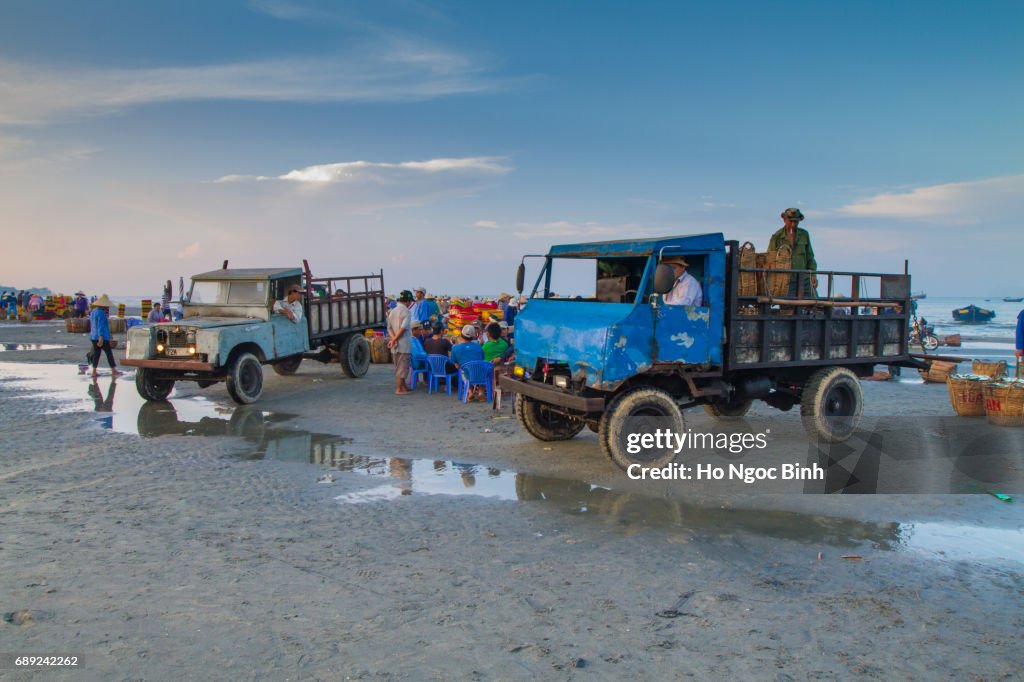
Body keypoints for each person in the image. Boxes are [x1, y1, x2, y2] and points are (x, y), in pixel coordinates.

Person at [769, 207, 818, 298]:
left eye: (796, 222)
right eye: (790, 221)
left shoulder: (804, 235)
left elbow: (810, 257)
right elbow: (770, 260)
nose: (793, 224)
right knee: (788, 307)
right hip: (786, 281)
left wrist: (813, 274)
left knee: (815, 303)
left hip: (804, 279)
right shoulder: (777, 237)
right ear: (784, 220)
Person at [88, 294, 123, 378]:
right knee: (108, 353)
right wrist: (101, 337)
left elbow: (92, 324)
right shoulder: (101, 313)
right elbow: (100, 325)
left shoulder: (93, 312)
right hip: (101, 336)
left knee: (97, 353)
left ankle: (94, 371)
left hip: (93, 336)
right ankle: (113, 370)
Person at [387, 290, 414, 395]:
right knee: (402, 367)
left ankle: (403, 386)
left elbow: (389, 328)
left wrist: (393, 339)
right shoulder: (406, 312)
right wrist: (395, 339)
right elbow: (403, 328)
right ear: (407, 301)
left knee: (398, 365)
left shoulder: (393, 311)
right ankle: (399, 389)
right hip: (403, 343)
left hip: (395, 343)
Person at [451, 324, 486, 401]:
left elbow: (456, 365)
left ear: (461, 335)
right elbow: (483, 359)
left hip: (467, 374)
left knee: (464, 372)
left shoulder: (455, 348)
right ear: (473, 336)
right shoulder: (478, 346)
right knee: (481, 371)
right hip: (480, 374)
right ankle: (480, 391)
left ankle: (470, 392)